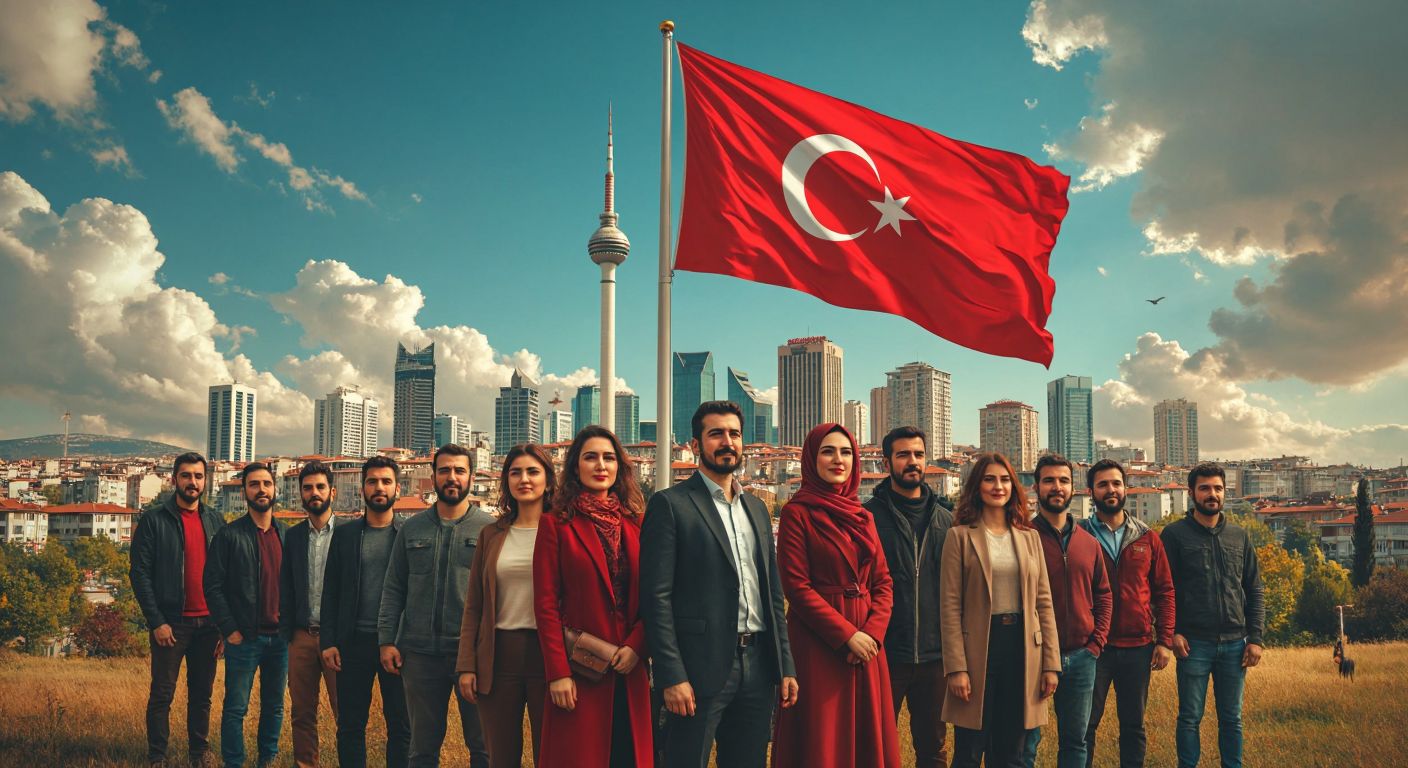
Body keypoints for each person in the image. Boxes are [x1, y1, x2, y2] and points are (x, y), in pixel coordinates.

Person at [641, 401, 798, 768]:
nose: (727, 442)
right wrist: (671, 675)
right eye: (716, 434)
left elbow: (772, 593)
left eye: (734, 434)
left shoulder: (757, 509)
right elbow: (656, 598)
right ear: (696, 445)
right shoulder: (670, 505)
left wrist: (785, 664)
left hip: (758, 667)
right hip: (697, 670)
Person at [773, 423, 899, 768]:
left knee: (867, 739)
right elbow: (796, 588)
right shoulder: (796, 513)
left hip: (868, 645)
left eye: (846, 452)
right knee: (823, 738)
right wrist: (847, 637)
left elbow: (883, 582)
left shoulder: (863, 516)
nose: (838, 459)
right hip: (819, 644)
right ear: (811, 458)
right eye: (828, 451)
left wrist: (871, 634)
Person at [533, 425, 654, 768]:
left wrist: (636, 646)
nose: (600, 465)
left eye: (608, 457)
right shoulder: (555, 524)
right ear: (575, 467)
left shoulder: (638, 524)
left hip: (629, 667)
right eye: (590, 457)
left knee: (627, 757)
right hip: (580, 670)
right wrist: (557, 672)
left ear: (619, 467)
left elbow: (654, 596)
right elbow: (545, 605)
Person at [940, 452, 1060, 768]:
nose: (998, 486)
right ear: (977, 486)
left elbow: (1044, 603)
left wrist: (1051, 663)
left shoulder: (1029, 537)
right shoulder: (959, 537)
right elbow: (950, 607)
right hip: (979, 648)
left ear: (1014, 486)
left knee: (1012, 753)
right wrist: (956, 667)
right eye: (990, 479)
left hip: (1022, 648)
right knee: (968, 751)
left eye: (1005, 479)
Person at [378, 444, 495, 768]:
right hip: (419, 656)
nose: (452, 477)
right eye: (444, 471)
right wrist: (387, 640)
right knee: (422, 749)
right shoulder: (412, 528)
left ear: (471, 476)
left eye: (459, 470)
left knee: (483, 747)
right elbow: (394, 587)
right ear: (433, 477)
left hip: (471, 654)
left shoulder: (489, 530)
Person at [1161, 462, 1265, 768]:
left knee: (1232, 719)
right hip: (1193, 643)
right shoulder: (1174, 535)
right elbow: (1163, 590)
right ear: (1192, 492)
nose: (1212, 494)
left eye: (1218, 488)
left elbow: (1255, 589)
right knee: (1190, 718)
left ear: (1224, 492)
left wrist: (1256, 638)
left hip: (1235, 643)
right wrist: (1172, 632)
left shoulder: (1239, 536)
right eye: (1204, 488)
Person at [457, 444, 555, 768]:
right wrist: (467, 665)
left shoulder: (563, 532)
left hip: (550, 655)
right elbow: (474, 606)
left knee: (552, 754)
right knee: (501, 756)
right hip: (499, 656)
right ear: (506, 481)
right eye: (515, 472)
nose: (524, 479)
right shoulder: (492, 534)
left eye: (532, 471)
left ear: (548, 480)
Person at [864, 426, 954, 768]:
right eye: (903, 455)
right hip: (884, 654)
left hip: (935, 657)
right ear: (887, 462)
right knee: (873, 747)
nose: (912, 462)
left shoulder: (947, 521)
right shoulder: (868, 517)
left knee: (933, 750)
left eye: (917, 454)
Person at [130, 451, 225, 768]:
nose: (193, 482)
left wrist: (225, 624)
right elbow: (139, 574)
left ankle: (199, 754)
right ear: (175, 479)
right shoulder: (154, 520)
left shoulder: (214, 520)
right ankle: (157, 756)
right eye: (186, 476)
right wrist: (157, 621)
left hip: (209, 626)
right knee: (162, 695)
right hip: (171, 624)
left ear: (205, 481)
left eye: (198, 476)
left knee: (202, 696)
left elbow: (225, 576)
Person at [1078, 459, 1175, 768]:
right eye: (1103, 484)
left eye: (1116, 483)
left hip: (1138, 647)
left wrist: (1165, 641)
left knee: (1133, 727)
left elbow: (1165, 591)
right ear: (1091, 491)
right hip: (1094, 648)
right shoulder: (1079, 536)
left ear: (1125, 489)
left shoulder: (1148, 537)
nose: (1111, 490)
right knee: (1085, 727)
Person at [320, 456, 411, 768]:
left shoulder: (408, 536)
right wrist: (328, 641)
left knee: (401, 726)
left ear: (398, 488)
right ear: (362, 489)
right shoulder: (345, 535)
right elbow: (330, 590)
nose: (379, 487)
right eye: (372, 481)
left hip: (396, 644)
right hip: (352, 642)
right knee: (350, 725)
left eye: (386, 481)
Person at [1022, 455, 1112, 768]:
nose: (1056, 487)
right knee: (1026, 744)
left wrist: (1095, 644)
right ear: (1036, 487)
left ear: (1073, 488)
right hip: (1033, 657)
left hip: (1081, 658)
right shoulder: (1023, 538)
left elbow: (1104, 595)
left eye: (1063, 481)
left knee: (1076, 743)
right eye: (1049, 481)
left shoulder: (1089, 543)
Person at [205, 461, 289, 768]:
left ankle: (267, 760)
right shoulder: (229, 535)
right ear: (244, 493)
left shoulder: (286, 534)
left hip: (280, 639)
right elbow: (212, 586)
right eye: (254, 484)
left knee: (274, 706)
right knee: (235, 708)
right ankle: (234, 762)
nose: (262, 489)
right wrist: (229, 630)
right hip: (245, 638)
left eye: (266, 483)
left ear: (274, 489)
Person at [280, 460, 340, 768]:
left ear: (332, 492)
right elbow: (286, 587)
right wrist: (288, 635)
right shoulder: (292, 537)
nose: (313, 493)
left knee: (345, 713)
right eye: (307, 488)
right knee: (302, 713)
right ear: (300, 494)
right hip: (301, 636)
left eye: (319, 487)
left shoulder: (348, 534)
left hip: (338, 639)